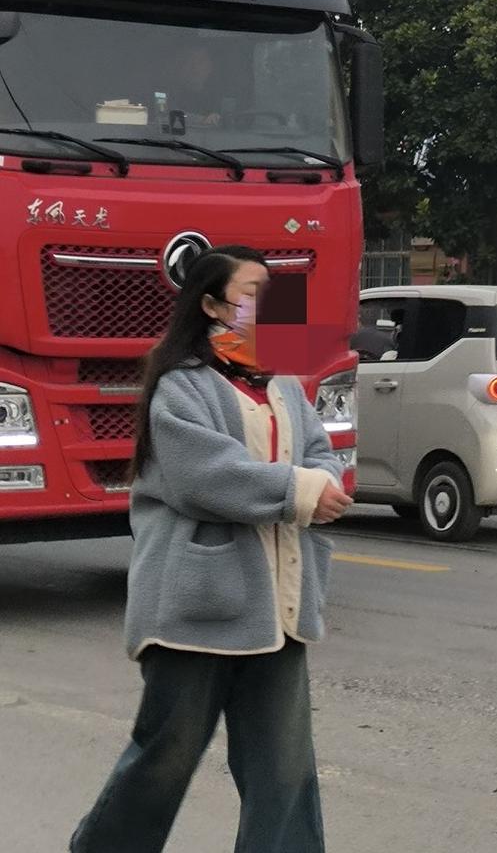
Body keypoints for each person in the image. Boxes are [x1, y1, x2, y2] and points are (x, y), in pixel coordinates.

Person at [69, 244, 352, 853]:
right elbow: (205, 477)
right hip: (197, 608)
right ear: (212, 305)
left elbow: (319, 451)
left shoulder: (284, 384)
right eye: (253, 293)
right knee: (165, 757)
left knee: (284, 769)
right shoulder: (181, 388)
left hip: (277, 609)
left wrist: (322, 480)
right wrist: (301, 490)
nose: (269, 306)